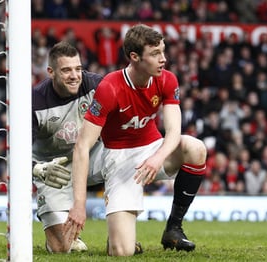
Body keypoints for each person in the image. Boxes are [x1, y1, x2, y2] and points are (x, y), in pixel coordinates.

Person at [65, 24, 207, 256]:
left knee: (195, 148)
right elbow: (82, 146)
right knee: (122, 252)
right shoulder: (110, 87)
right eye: (155, 54)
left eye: (163, 51)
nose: (163, 59)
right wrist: (79, 205)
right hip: (118, 157)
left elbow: (173, 131)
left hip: (153, 149)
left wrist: (156, 158)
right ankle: (119, 237)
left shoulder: (167, 80)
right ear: (134, 57)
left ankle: (173, 228)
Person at [31, 41, 104, 253]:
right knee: (61, 248)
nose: (74, 75)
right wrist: (37, 169)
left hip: (91, 158)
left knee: (122, 157)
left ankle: (121, 236)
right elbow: (13, 152)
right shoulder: (34, 103)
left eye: (78, 68)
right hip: (53, 171)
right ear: (51, 72)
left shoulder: (95, 85)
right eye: (66, 70)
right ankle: (58, 235)